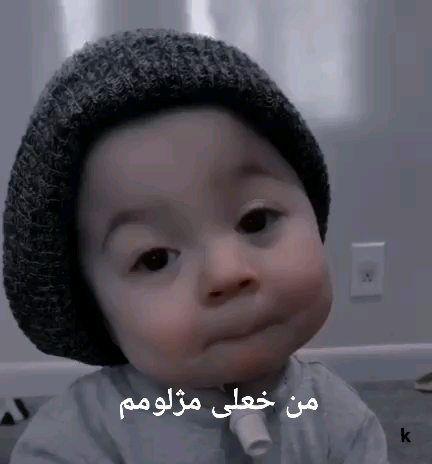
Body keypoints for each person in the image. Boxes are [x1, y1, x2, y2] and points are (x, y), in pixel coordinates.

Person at [3, 28, 389, 463]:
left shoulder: (339, 422)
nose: (227, 272)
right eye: (154, 259)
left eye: (256, 220)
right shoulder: (80, 439)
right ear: (93, 309)